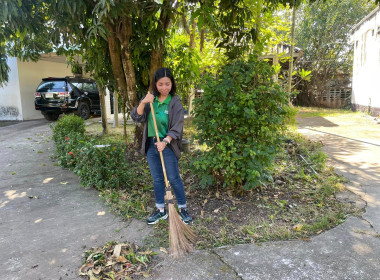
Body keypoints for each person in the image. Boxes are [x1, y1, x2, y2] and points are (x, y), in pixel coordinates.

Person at [131, 67, 192, 225]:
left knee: (173, 178)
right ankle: (160, 210)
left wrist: (165, 141)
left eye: (167, 84)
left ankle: (183, 208)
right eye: (160, 84)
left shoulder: (175, 102)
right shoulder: (151, 101)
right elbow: (136, 117)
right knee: (157, 179)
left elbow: (177, 127)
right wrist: (144, 101)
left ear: (172, 84)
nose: (164, 88)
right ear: (155, 84)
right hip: (152, 145)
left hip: (168, 145)